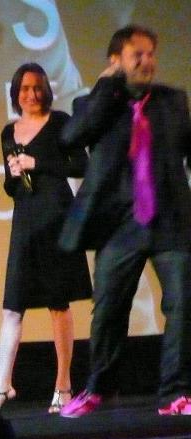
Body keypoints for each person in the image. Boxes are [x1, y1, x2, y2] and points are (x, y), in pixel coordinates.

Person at [59, 25, 191, 417]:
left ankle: (176, 393)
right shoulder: (95, 103)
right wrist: (106, 86)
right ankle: (100, 389)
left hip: (170, 222)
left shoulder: (172, 101)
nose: (147, 61)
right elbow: (71, 137)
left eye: (151, 53)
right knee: (109, 311)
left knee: (183, 305)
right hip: (120, 226)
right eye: (137, 54)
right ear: (116, 61)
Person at [0, 63, 91, 414]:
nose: (31, 94)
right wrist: (14, 174)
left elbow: (80, 165)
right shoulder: (8, 131)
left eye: (37, 87)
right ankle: (2, 387)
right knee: (12, 305)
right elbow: (10, 186)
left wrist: (37, 162)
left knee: (58, 304)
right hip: (26, 221)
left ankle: (63, 385)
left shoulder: (60, 122)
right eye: (24, 88)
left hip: (57, 218)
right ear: (15, 92)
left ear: (46, 89)